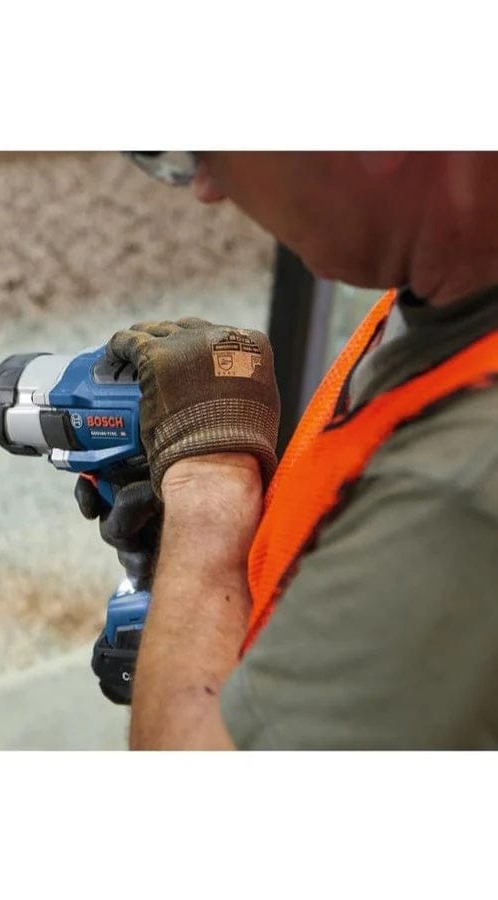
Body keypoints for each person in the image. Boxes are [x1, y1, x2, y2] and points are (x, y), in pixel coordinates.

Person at [79, 152, 498, 749]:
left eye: (209, 149)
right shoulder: (449, 283)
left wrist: (209, 488)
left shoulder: (460, 490)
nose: (205, 186)